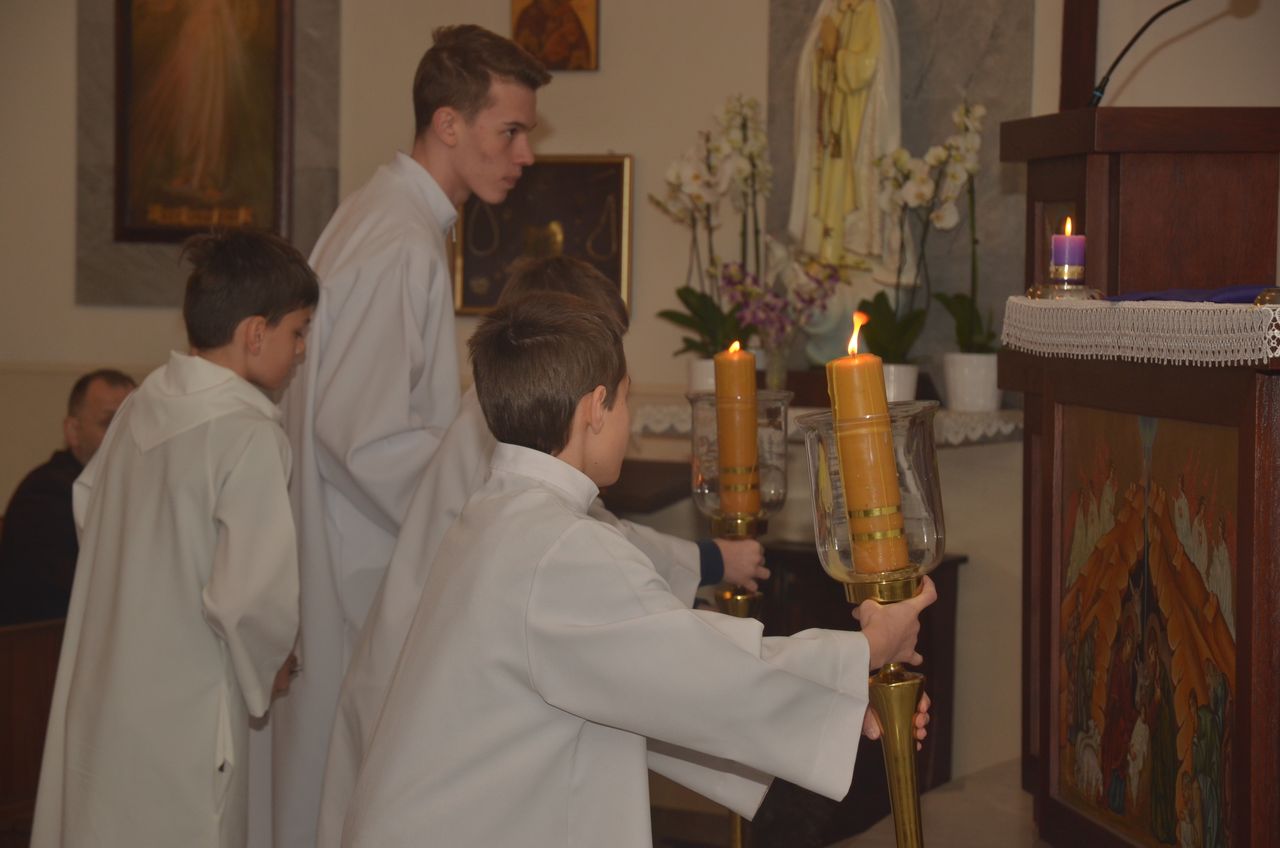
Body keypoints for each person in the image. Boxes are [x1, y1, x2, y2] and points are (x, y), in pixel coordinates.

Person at [339, 292, 935, 846]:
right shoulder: (560, 547)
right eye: (627, 399)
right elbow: (704, 672)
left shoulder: (497, 515)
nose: (633, 420)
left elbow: (646, 686)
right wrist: (867, 649)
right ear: (595, 409)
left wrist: (841, 707)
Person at [315, 256, 770, 844]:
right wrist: (707, 566)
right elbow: (592, 551)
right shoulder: (511, 446)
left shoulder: (514, 434)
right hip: (438, 708)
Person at [271, 24, 551, 848]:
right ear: (448, 123)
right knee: (342, 789)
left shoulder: (390, 217)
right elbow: (362, 439)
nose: (526, 154)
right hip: (357, 562)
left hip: (351, 545)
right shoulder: (399, 241)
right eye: (511, 131)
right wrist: (478, 506)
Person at [30, 230, 317, 848]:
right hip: (188, 699)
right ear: (255, 333)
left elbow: (89, 505)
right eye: (299, 331)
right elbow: (249, 599)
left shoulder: (142, 404)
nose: (302, 350)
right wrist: (273, 662)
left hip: (110, 681)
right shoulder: (249, 434)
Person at [0, 369, 135, 625]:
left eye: (132, 423)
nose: (125, 436)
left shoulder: (133, 487)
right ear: (73, 431)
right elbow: (76, 593)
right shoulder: (43, 495)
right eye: (109, 423)